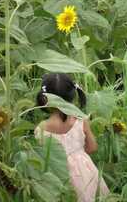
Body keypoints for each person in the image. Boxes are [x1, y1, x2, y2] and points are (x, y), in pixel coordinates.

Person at [34, 73, 109, 202]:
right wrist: (77, 154)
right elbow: (92, 147)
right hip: (86, 174)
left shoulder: (41, 129)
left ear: (45, 99)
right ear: (73, 95)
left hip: (57, 175)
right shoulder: (81, 120)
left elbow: (41, 160)